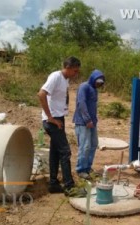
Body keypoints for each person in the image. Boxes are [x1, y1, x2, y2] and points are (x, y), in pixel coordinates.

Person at [37, 56, 81, 195]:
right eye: (75, 71)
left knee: (55, 152)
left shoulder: (65, 79)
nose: (76, 74)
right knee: (65, 151)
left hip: (58, 118)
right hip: (52, 120)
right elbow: (41, 94)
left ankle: (53, 183)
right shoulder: (55, 76)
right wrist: (50, 117)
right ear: (67, 68)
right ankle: (69, 187)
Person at [73, 69, 105, 179]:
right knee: (85, 146)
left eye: (101, 83)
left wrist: (93, 120)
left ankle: (87, 167)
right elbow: (81, 103)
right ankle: (81, 169)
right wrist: (87, 120)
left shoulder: (94, 89)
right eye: (97, 82)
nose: (99, 84)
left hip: (92, 122)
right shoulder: (84, 87)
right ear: (93, 78)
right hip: (83, 122)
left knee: (93, 144)